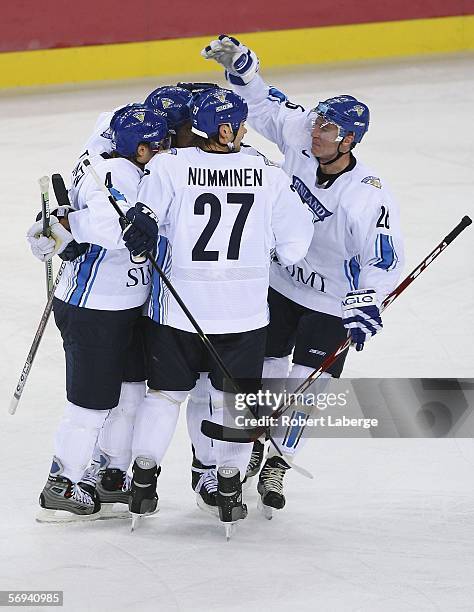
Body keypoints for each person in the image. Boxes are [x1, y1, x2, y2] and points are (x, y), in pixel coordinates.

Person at [202, 35, 405, 514]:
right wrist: (244, 68)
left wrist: (368, 301)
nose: (317, 133)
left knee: (306, 386)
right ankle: (254, 439)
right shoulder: (302, 133)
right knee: (265, 371)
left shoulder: (366, 195)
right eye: (318, 123)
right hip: (279, 281)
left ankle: (279, 459)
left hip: (331, 298)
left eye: (329, 130)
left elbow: (384, 259)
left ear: (350, 141)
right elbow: (263, 107)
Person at [124, 88, 314, 535]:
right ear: (226, 130)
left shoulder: (169, 166)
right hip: (244, 315)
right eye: (242, 125)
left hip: (178, 309)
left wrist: (144, 229)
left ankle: (144, 480)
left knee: (165, 396)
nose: (245, 131)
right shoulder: (267, 173)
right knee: (232, 401)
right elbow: (293, 247)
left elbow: (142, 220)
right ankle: (227, 485)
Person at [27, 106, 169, 521]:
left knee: (129, 395)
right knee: (90, 405)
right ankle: (61, 484)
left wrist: (64, 223)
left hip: (127, 306)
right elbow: (112, 230)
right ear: (141, 149)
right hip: (93, 308)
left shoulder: (119, 154)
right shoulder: (116, 173)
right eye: (160, 146)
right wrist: (66, 224)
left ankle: (109, 476)